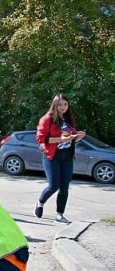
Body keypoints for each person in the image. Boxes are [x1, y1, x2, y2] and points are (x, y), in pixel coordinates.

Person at [35, 94, 86, 224]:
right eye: (60, 105)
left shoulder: (68, 119)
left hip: (67, 156)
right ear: (55, 105)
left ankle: (59, 215)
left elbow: (71, 139)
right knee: (54, 186)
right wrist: (59, 140)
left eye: (65, 104)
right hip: (52, 156)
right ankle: (40, 203)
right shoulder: (47, 119)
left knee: (64, 186)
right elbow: (40, 139)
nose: (63, 107)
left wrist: (79, 136)